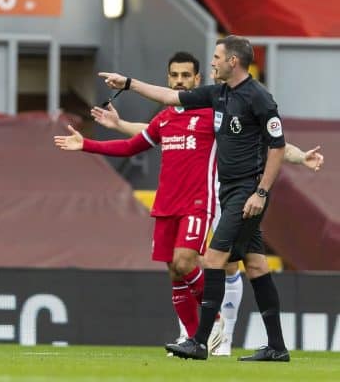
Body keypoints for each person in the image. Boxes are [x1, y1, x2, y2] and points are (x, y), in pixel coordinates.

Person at [90, 58, 323, 356]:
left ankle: (219, 336)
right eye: (174, 75)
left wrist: (301, 156)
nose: (179, 80)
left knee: (223, 263)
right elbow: (156, 130)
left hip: (220, 198)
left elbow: (269, 142)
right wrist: (120, 124)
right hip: (202, 197)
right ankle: (196, 333)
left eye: (186, 75)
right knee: (191, 266)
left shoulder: (220, 108)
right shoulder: (175, 114)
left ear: (198, 78)